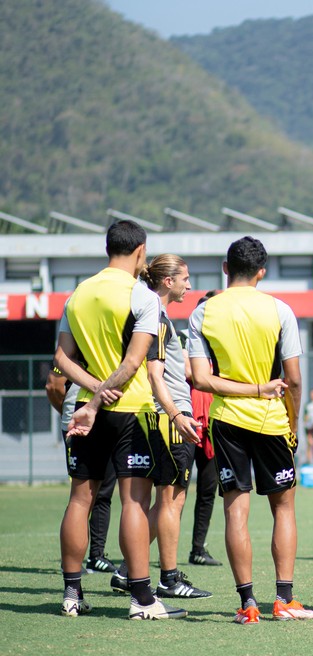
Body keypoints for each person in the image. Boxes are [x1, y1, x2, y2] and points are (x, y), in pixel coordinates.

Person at [52, 219, 187, 620]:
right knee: (134, 501)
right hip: (130, 411)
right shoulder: (141, 296)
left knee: (80, 498)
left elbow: (61, 359)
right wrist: (101, 397)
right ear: (141, 250)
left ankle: (72, 594)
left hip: (86, 411)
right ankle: (143, 600)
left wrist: (92, 392)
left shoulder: (78, 294)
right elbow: (134, 363)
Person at [188, 236, 313, 625]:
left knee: (235, 511)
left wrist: (243, 390)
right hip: (272, 421)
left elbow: (200, 379)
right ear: (262, 272)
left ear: (226, 268)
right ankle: (285, 600)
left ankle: (248, 605)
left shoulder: (203, 312)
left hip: (226, 422)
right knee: (284, 508)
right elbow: (292, 379)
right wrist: (290, 421)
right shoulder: (280, 310)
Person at [135, 254, 212, 599]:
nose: (189, 285)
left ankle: (128, 570)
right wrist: (178, 415)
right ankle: (168, 578)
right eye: (185, 278)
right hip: (169, 418)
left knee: (161, 501)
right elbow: (154, 374)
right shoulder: (157, 315)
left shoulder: (154, 312)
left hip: (162, 415)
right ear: (168, 281)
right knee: (171, 501)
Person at [46, 367, 117, 574]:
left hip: (110, 415)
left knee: (103, 492)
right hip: (80, 418)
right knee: (81, 494)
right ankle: (71, 562)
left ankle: (96, 555)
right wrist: (68, 412)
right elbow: (53, 385)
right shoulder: (74, 340)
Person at [188, 290, 223, 567]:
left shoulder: (224, 346)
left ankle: (198, 549)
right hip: (186, 423)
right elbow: (188, 373)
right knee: (172, 494)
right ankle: (141, 561)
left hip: (213, 426)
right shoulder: (186, 340)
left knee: (208, 490)